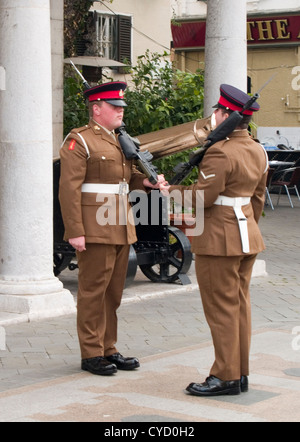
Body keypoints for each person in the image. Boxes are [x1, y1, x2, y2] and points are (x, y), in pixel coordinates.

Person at [160, 84, 268, 396]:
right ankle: (240, 372)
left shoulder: (220, 151)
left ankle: (224, 376)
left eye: (216, 112)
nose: (212, 117)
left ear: (225, 116)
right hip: (247, 236)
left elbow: (204, 199)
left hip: (219, 239)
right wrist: (247, 229)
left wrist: (172, 191)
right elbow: (257, 199)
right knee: (239, 307)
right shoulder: (257, 150)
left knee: (221, 309)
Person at [59, 81, 165, 376]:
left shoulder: (119, 139)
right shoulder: (79, 141)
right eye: (114, 106)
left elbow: (124, 177)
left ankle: (109, 347)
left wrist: (143, 182)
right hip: (94, 227)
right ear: (96, 109)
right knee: (93, 291)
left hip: (121, 224)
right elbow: (69, 190)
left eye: (121, 106)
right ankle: (91, 353)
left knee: (113, 292)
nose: (120, 111)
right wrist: (75, 230)